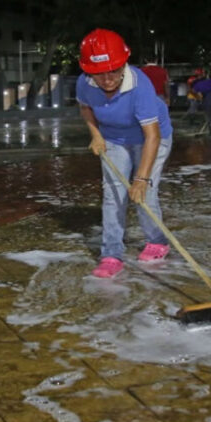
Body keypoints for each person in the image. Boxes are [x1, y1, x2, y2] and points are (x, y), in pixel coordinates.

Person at [76, 29, 174, 278]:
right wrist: (96, 135)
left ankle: (157, 242)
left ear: (124, 64)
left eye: (113, 70)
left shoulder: (140, 85)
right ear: (89, 71)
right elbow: (86, 108)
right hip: (113, 139)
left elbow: (152, 136)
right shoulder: (84, 83)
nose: (107, 79)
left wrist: (140, 179)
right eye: (99, 73)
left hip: (151, 138)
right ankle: (111, 254)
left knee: (144, 193)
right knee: (113, 195)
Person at [191, 69, 211, 135]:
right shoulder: (208, 81)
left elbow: (200, 96)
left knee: (210, 118)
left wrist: (200, 100)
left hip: (209, 101)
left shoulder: (196, 86)